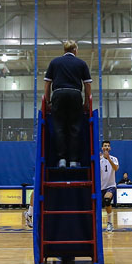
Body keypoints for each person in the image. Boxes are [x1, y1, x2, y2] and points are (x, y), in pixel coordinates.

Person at [44, 40, 93, 168]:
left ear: (64, 50)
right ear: (75, 50)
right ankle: (73, 160)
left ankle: (61, 159)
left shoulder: (54, 62)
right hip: (75, 95)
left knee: (59, 128)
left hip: (58, 94)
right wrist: (87, 102)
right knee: (75, 128)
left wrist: (48, 101)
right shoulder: (81, 63)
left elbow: (47, 83)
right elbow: (87, 84)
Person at [99, 141, 119, 232]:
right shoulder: (98, 160)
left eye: (108, 146)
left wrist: (108, 159)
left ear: (110, 148)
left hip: (111, 186)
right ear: (102, 148)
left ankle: (110, 223)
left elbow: (116, 168)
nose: (107, 147)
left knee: (107, 200)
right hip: (100, 187)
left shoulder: (114, 159)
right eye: (105, 146)